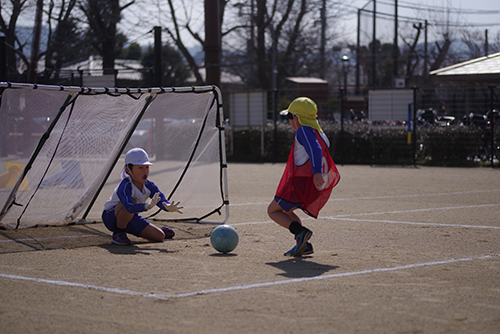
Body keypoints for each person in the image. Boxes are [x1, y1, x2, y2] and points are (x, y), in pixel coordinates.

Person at [268, 97, 340, 257]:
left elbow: (315, 150)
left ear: (297, 118)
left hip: (301, 183)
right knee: (286, 212)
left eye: (289, 118)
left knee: (272, 211)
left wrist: (316, 172)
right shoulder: (320, 133)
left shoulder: (303, 131)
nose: (289, 122)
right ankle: (303, 244)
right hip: (312, 186)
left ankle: (301, 234)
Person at [102, 148, 183, 245]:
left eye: (147, 167)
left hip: (131, 217)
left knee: (160, 236)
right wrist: (146, 206)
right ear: (128, 170)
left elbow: (160, 198)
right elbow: (129, 206)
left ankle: (157, 230)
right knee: (132, 200)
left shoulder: (149, 185)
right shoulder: (125, 186)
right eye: (140, 168)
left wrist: (167, 206)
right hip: (111, 218)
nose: (145, 171)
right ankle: (118, 234)